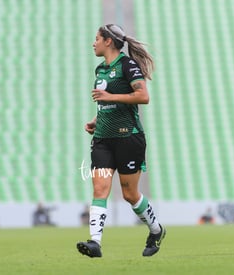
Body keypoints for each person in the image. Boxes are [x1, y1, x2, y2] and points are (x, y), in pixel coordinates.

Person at [77, 24, 166, 258]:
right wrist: (97, 119)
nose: (93, 43)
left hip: (128, 138)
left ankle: (156, 230)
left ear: (108, 41)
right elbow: (107, 102)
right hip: (103, 140)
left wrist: (109, 96)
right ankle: (95, 243)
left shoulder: (128, 65)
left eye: (96, 38)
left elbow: (142, 96)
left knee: (129, 194)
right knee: (100, 188)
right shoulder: (100, 70)